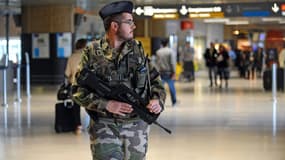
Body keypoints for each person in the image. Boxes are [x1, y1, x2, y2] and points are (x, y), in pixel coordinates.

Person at [71, 1, 166, 159]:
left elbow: (156, 83)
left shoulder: (138, 50)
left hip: (136, 127)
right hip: (104, 128)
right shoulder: (92, 52)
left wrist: (157, 101)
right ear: (114, 26)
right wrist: (106, 104)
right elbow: (77, 91)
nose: (133, 26)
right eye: (129, 22)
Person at [64, 38, 87, 134]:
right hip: (87, 85)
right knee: (91, 105)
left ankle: (78, 126)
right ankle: (93, 126)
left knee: (76, 107)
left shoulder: (72, 57)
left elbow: (67, 73)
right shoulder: (88, 56)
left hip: (75, 85)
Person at [156, 38, 178, 107]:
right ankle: (174, 102)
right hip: (169, 72)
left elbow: (157, 63)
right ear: (167, 43)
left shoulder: (158, 52)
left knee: (159, 88)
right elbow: (172, 63)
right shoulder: (170, 51)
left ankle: (159, 101)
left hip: (161, 72)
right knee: (172, 88)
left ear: (161, 44)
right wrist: (174, 72)